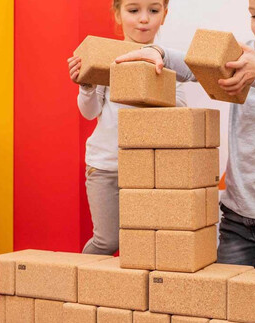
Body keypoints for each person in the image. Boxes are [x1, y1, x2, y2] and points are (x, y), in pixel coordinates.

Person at [116, 0, 255, 271]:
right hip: (236, 215)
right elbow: (194, 65)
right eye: (253, 14)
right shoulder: (248, 53)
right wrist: (158, 52)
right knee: (229, 301)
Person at [67, 0, 187, 255]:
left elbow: (180, 110)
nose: (144, 19)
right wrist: (86, 85)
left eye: (153, 11)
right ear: (118, 15)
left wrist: (153, 85)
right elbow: (90, 112)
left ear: (164, 15)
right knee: (108, 241)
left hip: (148, 169)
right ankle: (81, 287)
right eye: (134, 10)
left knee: (144, 244)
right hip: (107, 166)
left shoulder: (167, 62)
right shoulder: (107, 57)